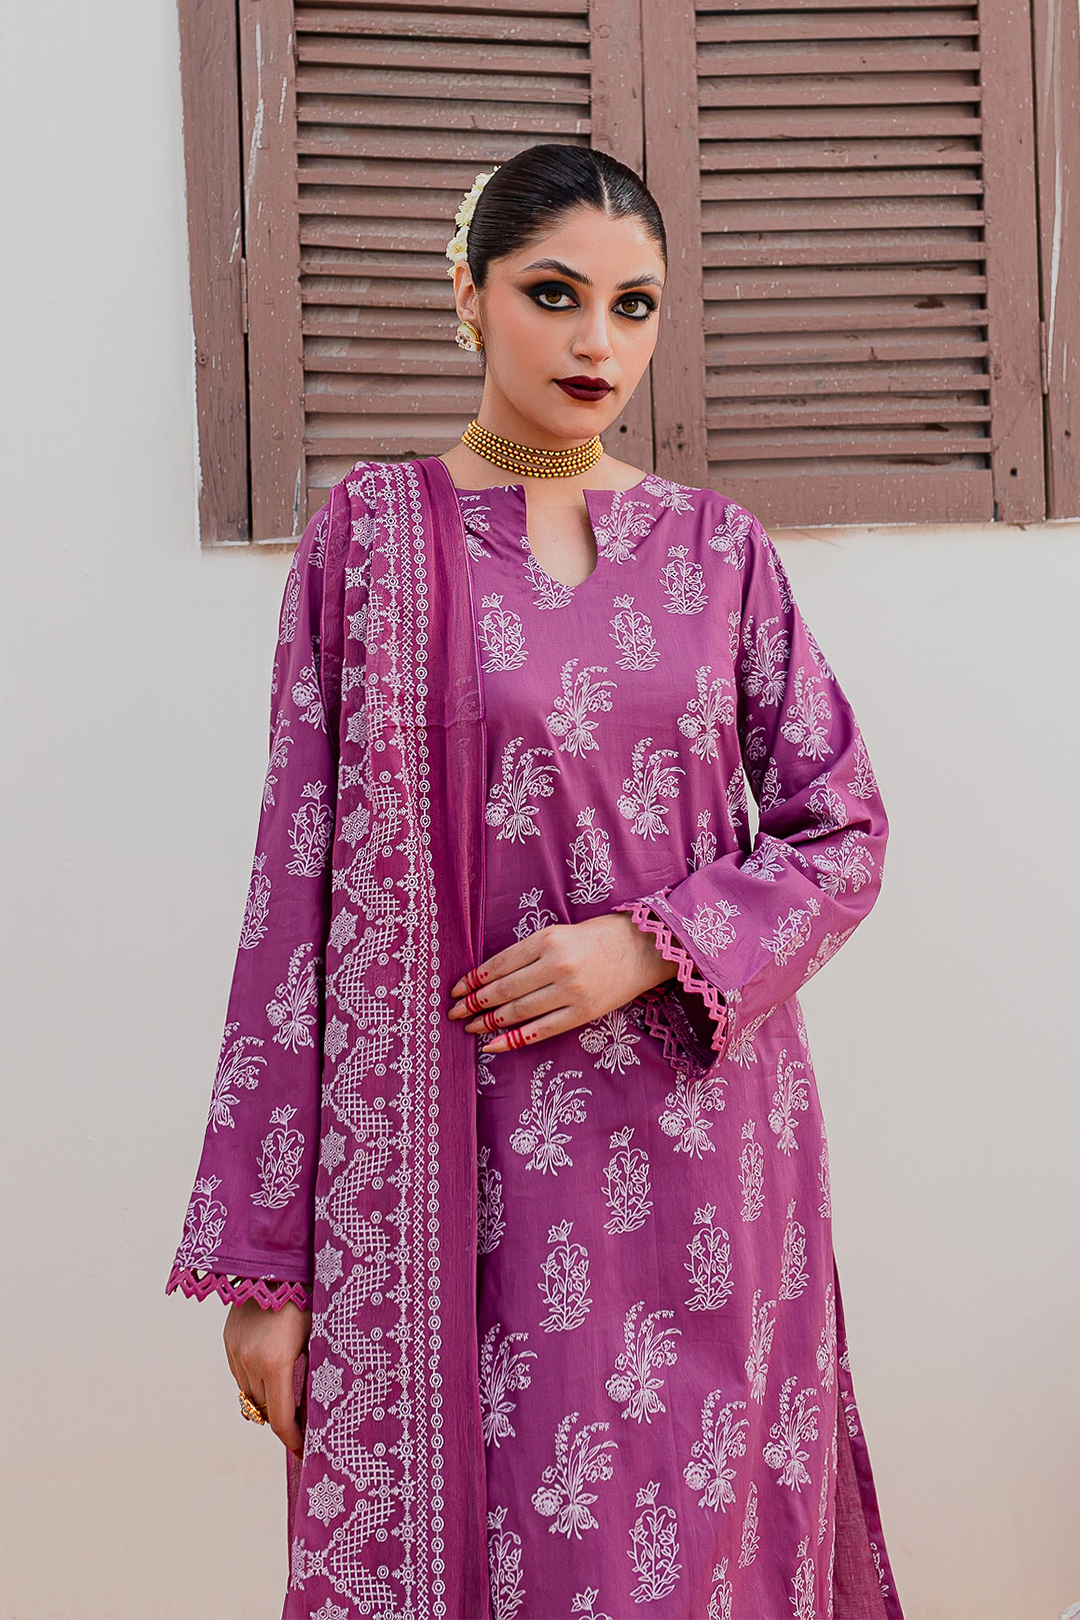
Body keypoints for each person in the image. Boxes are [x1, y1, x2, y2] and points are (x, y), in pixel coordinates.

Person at [169, 144, 903, 1620]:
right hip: (449, 1175)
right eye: (554, 294)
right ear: (471, 295)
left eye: (634, 306)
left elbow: (841, 827)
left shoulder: (719, 552)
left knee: (689, 1565)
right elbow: (291, 900)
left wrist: (645, 945)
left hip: (703, 1162)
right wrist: (265, 1265)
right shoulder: (369, 540)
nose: (596, 344)